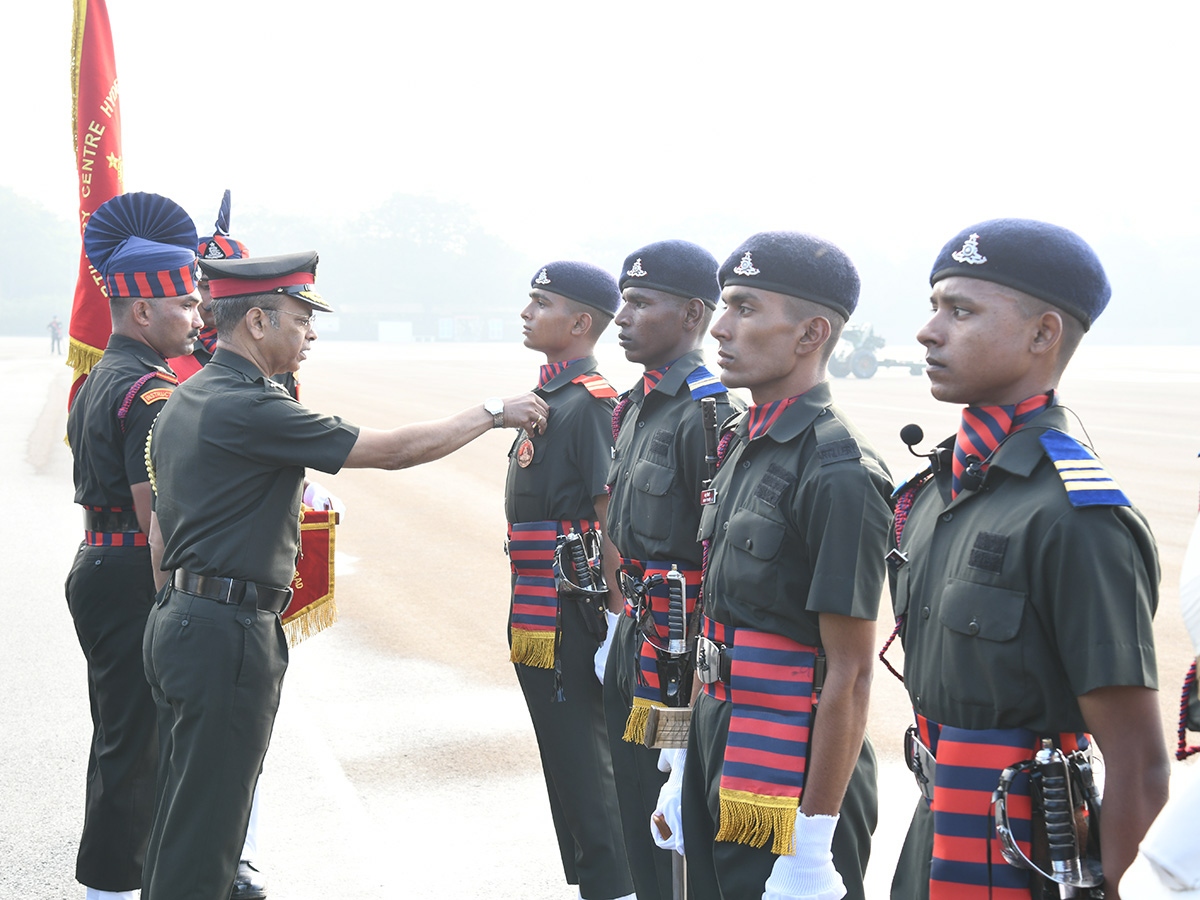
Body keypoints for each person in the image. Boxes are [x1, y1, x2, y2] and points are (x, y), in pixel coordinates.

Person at [141, 251, 547, 900]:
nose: (310, 334)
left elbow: (161, 532)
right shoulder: (250, 406)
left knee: (181, 816)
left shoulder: (188, 395)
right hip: (225, 632)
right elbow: (395, 451)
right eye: (301, 319)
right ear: (257, 322)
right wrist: (494, 411)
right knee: (209, 832)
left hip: (182, 619)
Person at [886, 218, 1168, 899]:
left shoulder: (1074, 515)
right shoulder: (936, 492)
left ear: (1043, 334)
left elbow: (1138, 762)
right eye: (934, 307)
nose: (928, 332)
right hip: (931, 837)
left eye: (961, 312)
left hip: (1029, 860)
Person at [680, 231, 892, 900]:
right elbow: (716, 622)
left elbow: (851, 673)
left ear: (810, 334)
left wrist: (813, 842)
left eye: (745, 307)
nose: (720, 327)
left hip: (791, 763)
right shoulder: (745, 440)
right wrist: (682, 760)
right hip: (720, 731)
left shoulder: (839, 470)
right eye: (724, 306)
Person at [65, 191, 203, 900]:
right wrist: (179, 606)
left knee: (122, 735)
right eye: (186, 303)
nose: (198, 317)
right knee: (137, 745)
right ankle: (113, 890)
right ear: (143, 310)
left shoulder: (101, 376)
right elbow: (159, 521)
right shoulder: (149, 393)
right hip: (130, 572)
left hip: (101, 562)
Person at [600, 239, 743, 900]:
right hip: (636, 634)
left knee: (672, 806)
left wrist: (686, 703)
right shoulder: (636, 405)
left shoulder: (706, 414)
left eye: (639, 302)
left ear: (691, 314)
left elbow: (714, 562)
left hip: (675, 656)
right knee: (634, 793)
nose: (622, 316)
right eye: (622, 301)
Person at [505, 260, 635, 900]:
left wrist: (615, 619)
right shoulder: (552, 398)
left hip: (574, 610)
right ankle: (596, 879)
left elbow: (611, 519)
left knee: (586, 759)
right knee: (564, 757)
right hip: (539, 603)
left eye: (541, 302)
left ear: (581, 322)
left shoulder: (588, 404)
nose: (526, 312)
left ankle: (617, 885)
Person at [167, 189, 249, 381]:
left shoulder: (269, 351)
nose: (215, 297)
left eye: (226, 286)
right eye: (205, 286)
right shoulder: (167, 354)